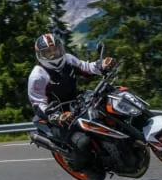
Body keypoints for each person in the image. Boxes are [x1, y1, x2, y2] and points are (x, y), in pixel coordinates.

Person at [28, 32, 115, 171]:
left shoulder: (67, 59)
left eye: (55, 49)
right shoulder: (38, 75)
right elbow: (38, 103)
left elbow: (86, 67)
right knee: (83, 142)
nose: (53, 54)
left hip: (76, 104)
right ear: (40, 55)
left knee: (105, 114)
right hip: (57, 115)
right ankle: (82, 166)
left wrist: (101, 64)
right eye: (48, 52)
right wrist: (56, 116)